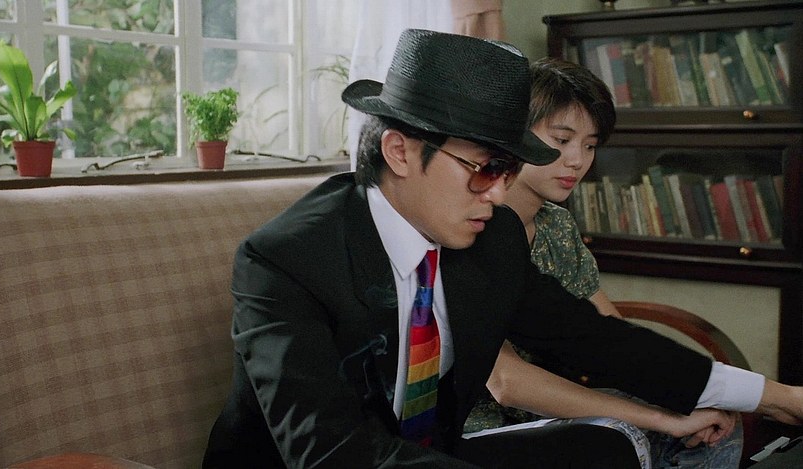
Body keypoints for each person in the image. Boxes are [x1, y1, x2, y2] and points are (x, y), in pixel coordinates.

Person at [202, 29, 738, 469]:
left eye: (507, 171)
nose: (499, 194)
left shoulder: (484, 234)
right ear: (399, 152)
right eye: (483, 169)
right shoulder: (285, 260)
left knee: (610, 449)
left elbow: (590, 337)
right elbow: (331, 452)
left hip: (432, 451)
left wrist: (759, 395)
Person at [468, 57, 803, 467]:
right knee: (629, 436)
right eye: (562, 140)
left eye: (590, 145)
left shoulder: (557, 226)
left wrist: (684, 402)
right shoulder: (470, 230)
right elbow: (507, 383)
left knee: (710, 426)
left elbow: (609, 336)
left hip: (568, 401)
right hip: (485, 426)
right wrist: (659, 417)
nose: (577, 160)